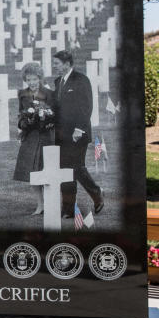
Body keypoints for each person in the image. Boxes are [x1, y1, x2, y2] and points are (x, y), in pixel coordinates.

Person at [51, 49, 103, 217]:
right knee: (64, 170)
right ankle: (68, 209)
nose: (55, 67)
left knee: (76, 167)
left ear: (67, 64)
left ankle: (96, 193)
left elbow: (87, 106)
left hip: (77, 134)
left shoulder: (81, 80)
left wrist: (79, 129)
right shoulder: (58, 81)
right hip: (61, 135)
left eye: (57, 64)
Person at [12, 62, 55, 215]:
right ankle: (40, 205)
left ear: (40, 78)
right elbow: (20, 114)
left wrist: (45, 119)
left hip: (46, 136)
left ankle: (51, 201)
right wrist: (24, 122)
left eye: (34, 79)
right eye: (29, 80)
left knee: (46, 169)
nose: (32, 83)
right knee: (32, 172)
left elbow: (54, 115)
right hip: (30, 136)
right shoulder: (22, 94)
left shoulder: (49, 93)